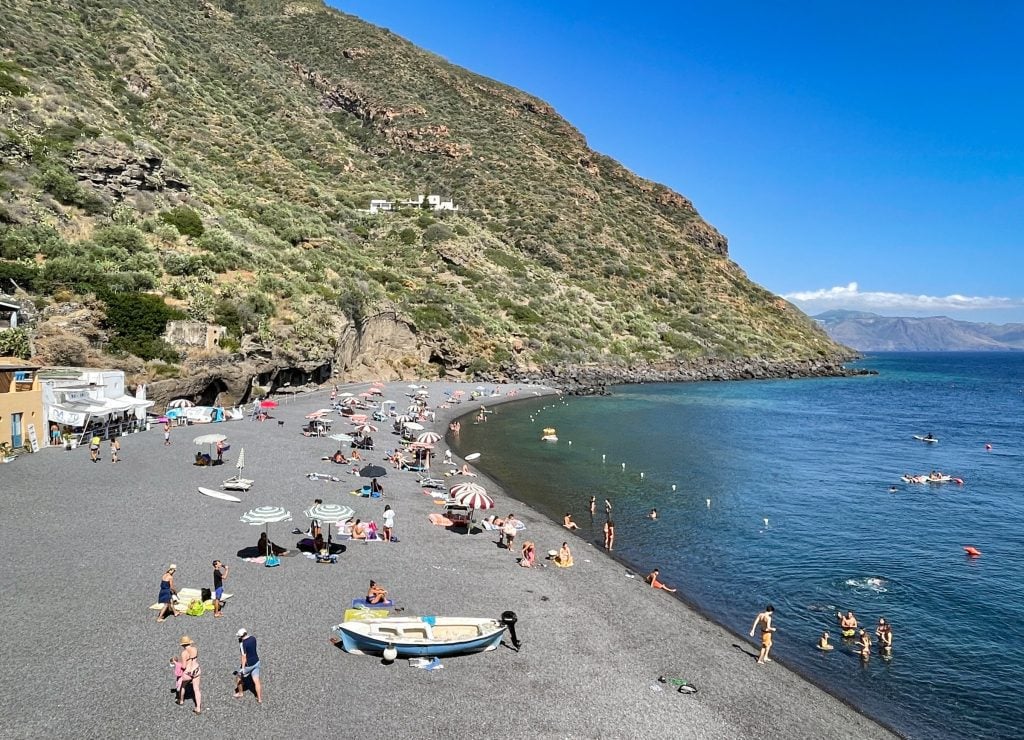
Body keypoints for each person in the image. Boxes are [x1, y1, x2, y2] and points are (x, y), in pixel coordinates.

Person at [234, 628, 263, 703]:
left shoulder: (243, 644)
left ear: (240, 636)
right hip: (256, 661)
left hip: (249, 664)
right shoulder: (253, 638)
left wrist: (243, 668)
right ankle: (259, 698)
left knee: (238, 677)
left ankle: (240, 693)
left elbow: (243, 656)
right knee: (256, 680)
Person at [175, 635, 202, 713]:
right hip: (196, 669)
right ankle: (198, 708)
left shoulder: (184, 653)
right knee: (196, 689)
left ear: (183, 645)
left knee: (182, 685)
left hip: (188, 672)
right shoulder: (195, 649)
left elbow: (184, 666)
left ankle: (181, 700)